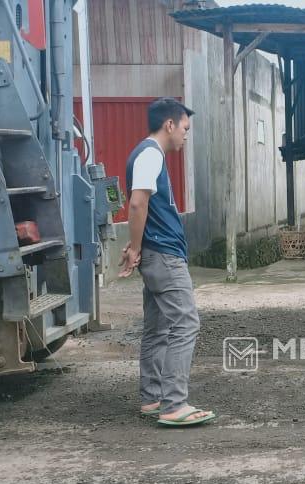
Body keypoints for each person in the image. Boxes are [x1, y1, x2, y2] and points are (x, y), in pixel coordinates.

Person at [118, 98, 216, 426]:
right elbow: (136, 204)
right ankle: (174, 404)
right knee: (185, 323)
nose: (186, 136)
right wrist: (133, 247)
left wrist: (137, 246)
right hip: (164, 254)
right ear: (169, 124)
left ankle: (152, 398)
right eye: (185, 128)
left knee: (158, 328)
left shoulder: (148, 154)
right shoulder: (149, 154)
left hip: (156, 251)